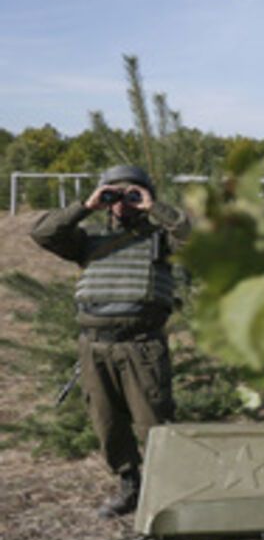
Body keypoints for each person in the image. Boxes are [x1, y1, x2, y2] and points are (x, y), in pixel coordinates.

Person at [30, 165, 190, 517]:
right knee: (107, 424)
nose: (122, 203)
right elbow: (42, 233)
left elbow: (190, 236)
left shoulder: (160, 240)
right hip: (94, 346)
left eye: (131, 194)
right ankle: (129, 486)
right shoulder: (87, 242)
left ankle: (168, 494)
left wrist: (154, 208)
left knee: (154, 423)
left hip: (141, 346)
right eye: (114, 195)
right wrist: (86, 206)